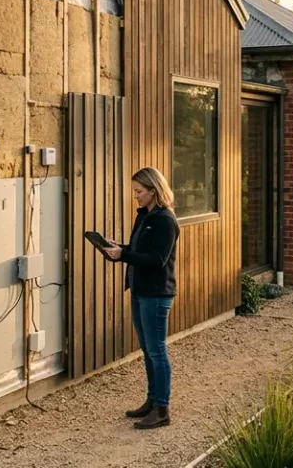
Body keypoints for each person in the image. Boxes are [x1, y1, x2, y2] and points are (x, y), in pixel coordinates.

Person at [101, 166, 179, 430]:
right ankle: (153, 400)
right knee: (147, 350)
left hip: (156, 294)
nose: (135, 196)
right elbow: (137, 251)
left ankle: (163, 409)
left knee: (157, 350)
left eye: (139, 191)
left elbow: (157, 260)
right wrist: (118, 249)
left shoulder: (165, 220)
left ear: (153, 190)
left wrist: (124, 255)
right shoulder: (144, 216)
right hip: (139, 291)